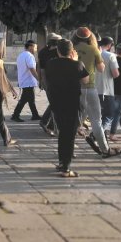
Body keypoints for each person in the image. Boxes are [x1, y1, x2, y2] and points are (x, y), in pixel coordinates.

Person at [73, 27, 121, 158]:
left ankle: (69, 150)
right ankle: (105, 150)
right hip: (89, 87)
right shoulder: (93, 49)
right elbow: (101, 69)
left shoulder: (72, 48)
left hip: (73, 88)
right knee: (96, 121)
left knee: (74, 120)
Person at [45, 39, 90, 177]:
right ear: (71, 51)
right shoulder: (77, 64)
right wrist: (75, 60)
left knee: (62, 133)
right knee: (69, 136)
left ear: (58, 51)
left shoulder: (50, 64)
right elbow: (86, 80)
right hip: (71, 103)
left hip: (56, 103)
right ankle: (66, 167)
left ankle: (61, 162)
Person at [37, 33, 62, 135]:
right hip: (57, 81)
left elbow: (40, 68)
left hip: (47, 80)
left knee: (55, 103)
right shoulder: (58, 51)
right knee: (56, 103)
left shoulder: (42, 52)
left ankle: (50, 125)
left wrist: (41, 81)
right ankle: (46, 122)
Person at [95, 37, 119, 137]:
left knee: (98, 116)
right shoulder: (110, 55)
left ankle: (102, 136)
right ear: (110, 45)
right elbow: (115, 74)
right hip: (106, 90)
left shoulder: (94, 54)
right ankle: (97, 134)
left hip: (94, 89)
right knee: (109, 114)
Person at [12, 40, 41, 122]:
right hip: (28, 81)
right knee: (24, 99)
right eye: (35, 47)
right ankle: (15, 115)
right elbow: (31, 68)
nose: (35, 49)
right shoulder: (29, 56)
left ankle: (35, 115)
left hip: (23, 80)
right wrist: (39, 79)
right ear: (30, 47)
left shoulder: (21, 55)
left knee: (31, 100)